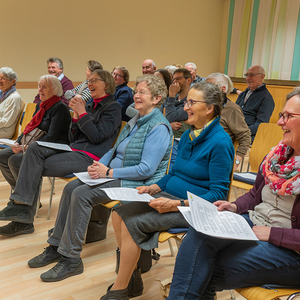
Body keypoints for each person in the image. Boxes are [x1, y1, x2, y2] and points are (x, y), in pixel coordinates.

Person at [27, 75, 173, 283]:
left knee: (81, 194)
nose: (136, 96)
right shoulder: (136, 119)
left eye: (142, 92)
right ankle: (56, 246)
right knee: (70, 189)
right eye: (136, 91)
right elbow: (114, 149)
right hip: (112, 173)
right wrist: (98, 165)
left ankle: (71, 259)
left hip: (136, 182)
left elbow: (146, 170)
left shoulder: (159, 127)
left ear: (157, 98)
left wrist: (109, 173)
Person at [100, 82, 235, 300]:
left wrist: (177, 204)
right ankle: (132, 277)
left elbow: (219, 195)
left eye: (191, 102)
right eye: (186, 101)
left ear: (209, 108)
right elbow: (173, 173)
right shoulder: (191, 134)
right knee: (118, 213)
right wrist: (153, 187)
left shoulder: (220, 142)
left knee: (132, 221)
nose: (186, 107)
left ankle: (121, 287)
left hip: (192, 207)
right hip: (169, 197)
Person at [167, 87, 300, 300]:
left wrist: (272, 234)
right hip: (255, 225)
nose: (279, 122)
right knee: (199, 234)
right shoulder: (276, 156)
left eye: (288, 116)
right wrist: (235, 206)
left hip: (290, 249)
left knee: (202, 267)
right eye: (281, 115)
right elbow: (255, 195)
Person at [0, 70, 122, 236]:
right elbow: (74, 137)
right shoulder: (89, 105)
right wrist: (77, 118)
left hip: (90, 157)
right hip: (73, 150)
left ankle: (22, 213)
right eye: (89, 81)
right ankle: (22, 213)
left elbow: (97, 137)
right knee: (22, 157)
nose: (89, 84)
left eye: (94, 81)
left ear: (106, 85)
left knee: (26, 161)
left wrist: (82, 113)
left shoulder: (113, 107)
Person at [0, 74, 71, 192]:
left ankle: (27, 197)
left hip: (52, 146)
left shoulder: (60, 108)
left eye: (44, 87)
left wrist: (26, 147)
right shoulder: (40, 105)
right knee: (2, 156)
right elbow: (30, 127)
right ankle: (19, 191)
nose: (40, 90)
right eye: (39, 86)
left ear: (54, 90)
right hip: (34, 143)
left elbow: (51, 137)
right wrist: (18, 142)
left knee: (14, 160)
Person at [206, 73, 251, 169]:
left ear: (222, 89)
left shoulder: (232, 109)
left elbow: (245, 136)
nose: (205, 90)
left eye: (210, 87)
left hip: (216, 156)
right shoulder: (204, 105)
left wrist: (237, 160)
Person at [160, 68, 192, 170]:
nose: (175, 82)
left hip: (179, 140)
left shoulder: (191, 101)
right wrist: (169, 124)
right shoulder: (170, 100)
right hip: (164, 137)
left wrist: (172, 94)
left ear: (189, 80)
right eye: (174, 79)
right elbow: (159, 118)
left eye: (178, 79)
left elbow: (170, 117)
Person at [236, 65, 275, 142]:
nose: (247, 78)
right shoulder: (244, 93)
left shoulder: (267, 98)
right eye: (247, 75)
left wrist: (240, 131)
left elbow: (261, 125)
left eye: (251, 75)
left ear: (262, 76)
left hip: (248, 136)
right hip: (234, 130)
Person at [0, 67, 23, 138]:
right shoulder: (2, 94)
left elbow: (7, 121)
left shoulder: (14, 98)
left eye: (3, 78)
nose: (0, 80)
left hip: (4, 132)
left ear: (13, 82)